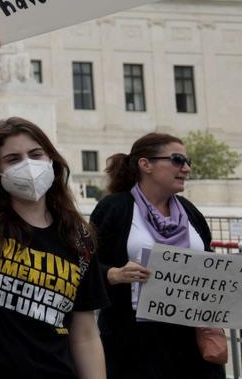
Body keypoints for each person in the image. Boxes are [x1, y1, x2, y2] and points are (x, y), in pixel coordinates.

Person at [0, 35, 107, 379]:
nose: (27, 164)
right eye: (13, 158)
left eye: (35, 154)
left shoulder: (79, 239)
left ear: (51, 160)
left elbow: (85, 334)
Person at [90, 133, 223, 379]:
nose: (186, 168)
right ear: (145, 164)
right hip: (134, 348)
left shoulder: (190, 211)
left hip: (193, 347)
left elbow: (210, 265)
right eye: (177, 160)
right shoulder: (115, 209)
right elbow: (86, 266)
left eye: (187, 161)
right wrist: (114, 274)